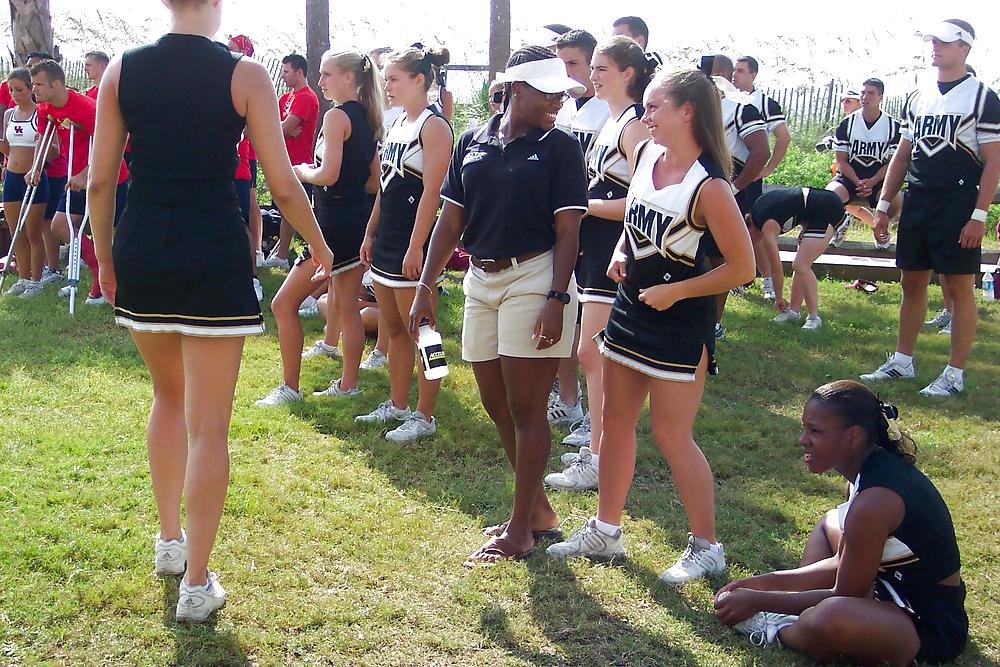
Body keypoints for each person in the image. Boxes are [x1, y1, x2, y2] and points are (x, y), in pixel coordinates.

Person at [87, 0, 332, 622]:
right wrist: (320, 246)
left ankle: (170, 544)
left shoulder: (120, 68)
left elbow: (99, 182)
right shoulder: (247, 74)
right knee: (208, 427)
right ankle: (196, 581)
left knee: (167, 398)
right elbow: (280, 182)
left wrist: (107, 261)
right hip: (212, 251)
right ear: (217, 5)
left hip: (143, 245)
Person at [546, 68, 756, 585]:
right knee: (615, 423)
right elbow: (634, 222)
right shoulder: (646, 158)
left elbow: (743, 268)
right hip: (631, 309)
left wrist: (677, 291)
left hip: (680, 323)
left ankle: (707, 547)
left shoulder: (710, 187)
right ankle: (606, 530)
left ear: (687, 112)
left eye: (656, 106)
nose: (646, 115)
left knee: (671, 435)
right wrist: (622, 251)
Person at [409, 47, 587, 565]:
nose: (557, 99)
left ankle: (520, 529)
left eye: (561, 92)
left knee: (528, 408)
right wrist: (425, 285)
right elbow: (450, 220)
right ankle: (539, 512)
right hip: (480, 281)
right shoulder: (473, 138)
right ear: (515, 89)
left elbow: (569, 230)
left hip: (536, 276)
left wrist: (557, 297)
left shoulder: (561, 148)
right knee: (495, 402)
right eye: (547, 91)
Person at [715, 380, 967, 666]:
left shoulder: (875, 502)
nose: (803, 439)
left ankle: (780, 630)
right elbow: (841, 561)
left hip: (924, 622)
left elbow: (845, 595)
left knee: (826, 616)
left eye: (815, 431)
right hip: (884, 587)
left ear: (854, 436)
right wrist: (762, 584)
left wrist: (761, 600)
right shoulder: (868, 471)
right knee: (829, 524)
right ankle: (798, 617)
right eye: (805, 427)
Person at [861, 19, 1000, 397]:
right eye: (934, 41)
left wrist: (979, 215)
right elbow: (903, 155)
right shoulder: (917, 96)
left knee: (958, 286)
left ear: (965, 49)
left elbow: (993, 161)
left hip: (958, 199)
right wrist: (885, 205)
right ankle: (902, 361)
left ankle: (954, 374)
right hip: (919, 198)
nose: (937, 47)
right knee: (912, 280)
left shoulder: (981, 97)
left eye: (946, 42)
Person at [545, 36, 652, 491]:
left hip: (613, 245)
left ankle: (599, 450)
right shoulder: (610, 120)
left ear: (628, 74)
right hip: (596, 243)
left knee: (595, 352)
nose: (593, 75)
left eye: (602, 68)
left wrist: (586, 206)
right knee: (592, 350)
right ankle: (597, 444)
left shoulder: (632, 126)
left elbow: (645, 199)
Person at [256, 50, 382, 406]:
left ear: (348, 78)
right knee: (346, 305)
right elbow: (373, 182)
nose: (320, 81)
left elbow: (327, 174)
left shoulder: (337, 116)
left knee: (283, 304)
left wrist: (302, 171)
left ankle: (290, 388)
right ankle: (348, 384)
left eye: (327, 75)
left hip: (330, 225)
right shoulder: (369, 117)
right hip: (355, 222)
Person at [356, 46, 452, 442]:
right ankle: (397, 404)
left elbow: (433, 194)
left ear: (420, 81)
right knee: (394, 329)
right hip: (388, 243)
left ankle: (425, 416)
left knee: (425, 331)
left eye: (393, 79)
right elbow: (384, 188)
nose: (386, 86)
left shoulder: (434, 126)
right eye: (385, 78)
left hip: (415, 246)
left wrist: (418, 247)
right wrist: (369, 232)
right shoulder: (397, 123)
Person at [29, 59, 130, 306]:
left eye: (39, 84)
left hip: (108, 176)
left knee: (110, 235)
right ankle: (98, 270)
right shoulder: (45, 110)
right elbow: (44, 141)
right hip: (74, 179)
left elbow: (113, 144)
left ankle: (110, 287)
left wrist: (87, 173)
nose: (35, 90)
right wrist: (36, 167)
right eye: (33, 84)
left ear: (56, 84)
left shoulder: (87, 108)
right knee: (60, 225)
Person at [550, 28, 610, 430]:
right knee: (562, 311)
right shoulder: (566, 108)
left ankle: (595, 415)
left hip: (600, 228)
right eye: (561, 64)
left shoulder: (615, 112)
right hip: (566, 224)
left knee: (594, 329)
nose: (566, 72)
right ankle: (568, 400)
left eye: (573, 63)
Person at [707, 59, 769, 338]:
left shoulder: (742, 108)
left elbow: (761, 151)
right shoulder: (702, 110)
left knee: (721, 258)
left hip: (729, 190)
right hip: (706, 188)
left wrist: (735, 187)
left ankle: (714, 323)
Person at [749, 187, 846, 330]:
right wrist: (805, 224)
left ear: (749, 227)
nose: (751, 244)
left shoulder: (767, 226)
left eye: (748, 239)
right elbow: (792, 204)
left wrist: (779, 298)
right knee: (801, 263)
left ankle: (814, 317)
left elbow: (776, 268)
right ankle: (793, 311)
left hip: (827, 208)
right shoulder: (757, 211)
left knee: (801, 265)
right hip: (813, 212)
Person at [826, 78, 902, 249]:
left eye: (871, 93)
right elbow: (841, 161)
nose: (865, 97)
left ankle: (880, 227)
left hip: (879, 179)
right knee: (829, 196)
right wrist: (856, 181)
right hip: (850, 177)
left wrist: (873, 181)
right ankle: (840, 225)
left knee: (896, 199)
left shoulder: (893, 126)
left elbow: (892, 164)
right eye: (862, 93)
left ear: (881, 97)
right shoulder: (847, 123)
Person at [262, 53, 321, 270]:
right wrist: (281, 128)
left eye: (287, 71)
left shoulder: (307, 97)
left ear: (299, 72)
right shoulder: (286, 98)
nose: (283, 75)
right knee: (281, 208)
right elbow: (268, 122)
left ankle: (284, 254)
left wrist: (282, 128)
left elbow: (285, 127)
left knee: (291, 208)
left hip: (299, 163)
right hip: (281, 159)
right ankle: (281, 250)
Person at [0, 68, 50, 299]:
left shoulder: (42, 113)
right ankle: (23, 276)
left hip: (34, 178)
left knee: (33, 232)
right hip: (11, 177)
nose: (14, 94)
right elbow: (8, 148)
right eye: (11, 90)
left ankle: (36, 281)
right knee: (15, 231)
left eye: (19, 89)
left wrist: (40, 157)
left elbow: (56, 150)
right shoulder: (9, 114)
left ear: (31, 89)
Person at [227, 35, 265, 271]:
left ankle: (252, 273)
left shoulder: (249, 80)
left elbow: (256, 129)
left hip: (241, 162)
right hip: (221, 166)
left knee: (246, 214)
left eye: (232, 49)